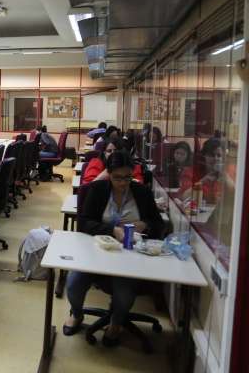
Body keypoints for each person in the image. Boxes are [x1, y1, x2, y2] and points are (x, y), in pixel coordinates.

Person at [63, 150, 164, 346]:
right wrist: (112, 230)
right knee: (74, 282)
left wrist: (145, 225)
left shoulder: (141, 193)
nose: (123, 183)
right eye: (118, 177)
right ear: (109, 173)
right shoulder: (98, 190)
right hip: (97, 250)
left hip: (130, 253)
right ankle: (77, 314)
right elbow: (84, 223)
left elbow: (158, 223)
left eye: (128, 177)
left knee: (124, 291)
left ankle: (116, 322)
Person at [180, 138, 235, 204]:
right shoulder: (190, 172)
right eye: (211, 155)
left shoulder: (227, 173)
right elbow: (184, 197)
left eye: (219, 155)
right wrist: (202, 182)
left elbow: (236, 197)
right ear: (204, 156)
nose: (215, 158)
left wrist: (225, 177)